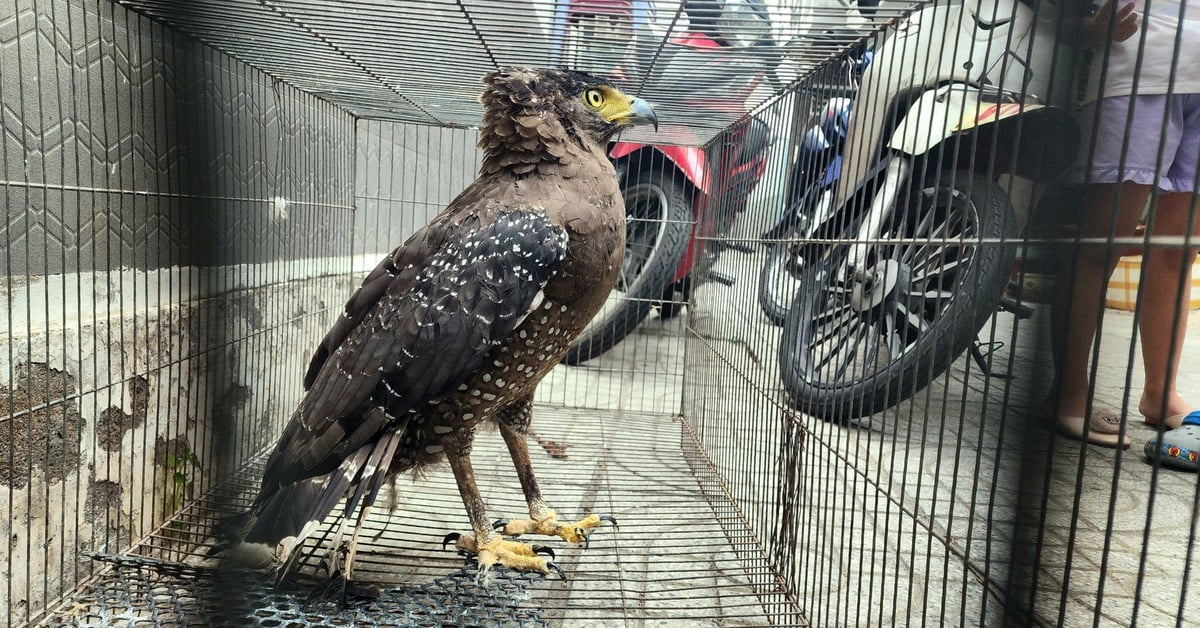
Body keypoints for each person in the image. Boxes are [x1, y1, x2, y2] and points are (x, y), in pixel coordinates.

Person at [1051, 0, 1200, 447]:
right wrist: (1090, 30)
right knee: (1101, 243)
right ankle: (1067, 393)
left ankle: (1160, 393)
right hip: (1138, 68)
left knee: (1179, 250)